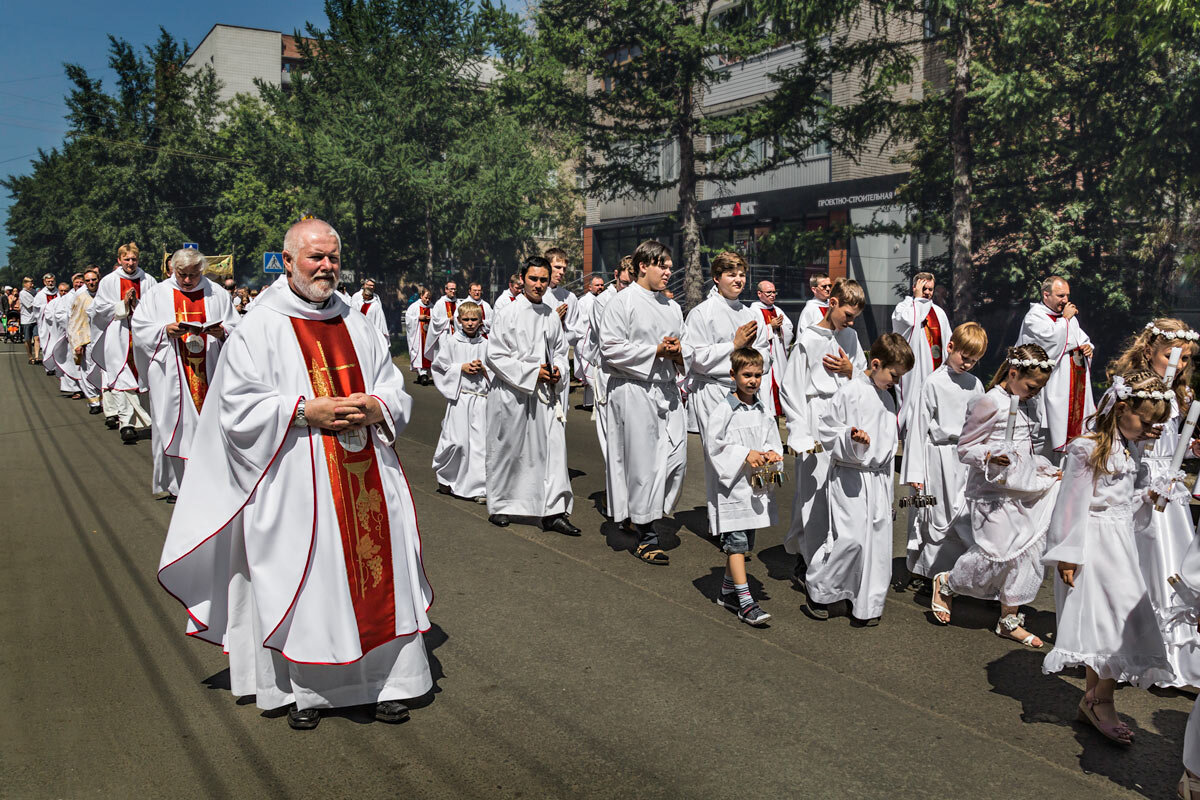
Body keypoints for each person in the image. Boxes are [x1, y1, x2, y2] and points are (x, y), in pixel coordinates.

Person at [157, 218, 433, 731]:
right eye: (315, 257)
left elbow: (393, 386)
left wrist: (377, 405)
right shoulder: (260, 324)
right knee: (308, 582)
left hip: (367, 475)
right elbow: (236, 409)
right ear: (287, 261)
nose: (327, 266)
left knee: (379, 573)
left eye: (333, 256)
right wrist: (306, 411)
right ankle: (306, 693)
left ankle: (386, 684)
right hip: (295, 478)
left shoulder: (357, 320)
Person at [1042, 370, 1174, 745]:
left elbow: (1121, 501)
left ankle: (1097, 697)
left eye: (1154, 424)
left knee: (1118, 620)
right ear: (1120, 409)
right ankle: (1100, 699)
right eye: (1145, 421)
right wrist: (1068, 554)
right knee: (1104, 623)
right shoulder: (1086, 448)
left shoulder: (1131, 449)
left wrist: (1146, 498)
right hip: (1092, 542)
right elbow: (1071, 505)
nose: (1149, 429)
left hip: (1120, 542)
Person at [930, 344, 1059, 647]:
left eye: (1040, 388)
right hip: (992, 491)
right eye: (1031, 385)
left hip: (1023, 487)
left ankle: (1009, 618)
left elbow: (1028, 449)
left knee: (1025, 551)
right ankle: (947, 583)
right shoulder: (989, 402)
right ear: (1013, 373)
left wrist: (1044, 469)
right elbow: (964, 448)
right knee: (996, 552)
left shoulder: (1028, 403)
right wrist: (989, 455)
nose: (1035, 392)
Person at [802, 333, 913, 624]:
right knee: (849, 539)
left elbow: (888, 441)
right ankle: (821, 591)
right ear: (875, 364)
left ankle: (866, 604)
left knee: (876, 544)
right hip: (851, 477)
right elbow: (826, 429)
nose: (896, 382)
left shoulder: (887, 397)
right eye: (894, 374)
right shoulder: (849, 392)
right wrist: (852, 439)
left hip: (877, 479)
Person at [1113, 319, 1200, 688]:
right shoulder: (1131, 388)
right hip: (1140, 480)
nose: (1178, 364)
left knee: (1175, 562)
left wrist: (1192, 448)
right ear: (1149, 350)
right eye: (1171, 355)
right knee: (1142, 559)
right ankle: (1133, 650)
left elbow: (1175, 445)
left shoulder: (1184, 395)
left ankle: (1174, 658)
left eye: (1185, 358)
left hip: (1171, 487)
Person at [599, 240, 692, 564]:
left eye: (669, 266)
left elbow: (683, 347)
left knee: (675, 461)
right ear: (643, 266)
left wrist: (678, 353)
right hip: (633, 389)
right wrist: (654, 350)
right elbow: (609, 348)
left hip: (665, 389)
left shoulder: (672, 307)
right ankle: (646, 535)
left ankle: (641, 515)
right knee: (642, 467)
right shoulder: (622, 302)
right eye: (662, 265)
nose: (668, 271)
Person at [780, 278, 868, 583]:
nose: (851, 321)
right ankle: (807, 557)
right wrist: (800, 431)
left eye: (855, 316)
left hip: (842, 419)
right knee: (812, 491)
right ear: (832, 303)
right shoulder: (808, 339)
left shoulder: (852, 338)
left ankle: (834, 553)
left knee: (840, 492)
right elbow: (791, 389)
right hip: (816, 416)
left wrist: (850, 371)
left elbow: (864, 377)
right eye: (847, 314)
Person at [484, 257, 579, 536]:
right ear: (522, 279)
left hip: (545, 396)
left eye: (543, 280)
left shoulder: (551, 315)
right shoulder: (507, 313)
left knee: (552, 453)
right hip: (513, 393)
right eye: (533, 279)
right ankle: (501, 504)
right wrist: (531, 372)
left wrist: (558, 371)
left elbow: (561, 352)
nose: (538, 285)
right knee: (509, 449)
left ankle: (553, 512)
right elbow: (495, 356)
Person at [132, 248, 236, 499]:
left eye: (193, 274)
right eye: (182, 275)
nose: (188, 281)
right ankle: (177, 485)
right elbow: (140, 327)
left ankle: (211, 482)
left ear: (202, 270)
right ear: (172, 270)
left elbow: (237, 327)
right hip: (170, 371)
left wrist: (222, 332)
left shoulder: (217, 293)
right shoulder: (157, 294)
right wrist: (164, 330)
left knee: (211, 426)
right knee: (169, 424)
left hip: (210, 370)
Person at [899, 322, 988, 585]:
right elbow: (918, 428)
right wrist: (915, 471)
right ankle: (926, 571)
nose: (968, 364)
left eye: (974, 360)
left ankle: (957, 573)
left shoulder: (975, 385)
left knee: (963, 513)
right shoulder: (933, 383)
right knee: (934, 513)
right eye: (964, 357)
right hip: (937, 456)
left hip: (965, 458)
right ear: (950, 347)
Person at [705, 347, 783, 626]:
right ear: (733, 375)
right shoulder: (724, 410)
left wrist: (773, 452)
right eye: (746, 375)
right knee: (736, 545)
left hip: (754, 488)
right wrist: (743, 453)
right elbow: (714, 445)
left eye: (758, 375)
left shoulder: (763, 409)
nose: (752, 380)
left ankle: (727, 591)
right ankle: (746, 602)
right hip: (733, 489)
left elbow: (772, 438)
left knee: (744, 543)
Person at [684, 252, 768, 447]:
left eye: (741, 275)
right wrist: (734, 346)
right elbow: (696, 358)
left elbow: (764, 354)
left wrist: (749, 355)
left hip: (746, 391)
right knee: (721, 457)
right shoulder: (702, 313)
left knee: (750, 450)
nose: (738, 280)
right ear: (716, 278)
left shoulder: (751, 315)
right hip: (713, 391)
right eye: (731, 274)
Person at [1016, 276, 1095, 454]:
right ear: (1046, 295)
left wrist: (1088, 348)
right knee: (1048, 441)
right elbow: (1047, 348)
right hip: (1052, 387)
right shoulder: (1034, 318)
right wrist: (1065, 321)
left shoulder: (1066, 318)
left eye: (1067, 295)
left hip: (1075, 387)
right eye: (1060, 295)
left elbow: (1080, 339)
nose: (1065, 300)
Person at [90, 242, 156, 440]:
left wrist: (137, 304)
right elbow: (99, 310)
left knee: (143, 377)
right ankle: (126, 424)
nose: (130, 263)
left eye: (134, 259)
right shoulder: (109, 281)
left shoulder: (149, 280)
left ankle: (148, 421)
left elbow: (155, 307)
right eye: (126, 259)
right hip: (118, 335)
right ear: (119, 260)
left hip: (141, 337)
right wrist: (122, 304)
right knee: (120, 379)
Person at [585, 256, 633, 509]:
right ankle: (614, 495)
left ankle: (627, 493)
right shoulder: (603, 301)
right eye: (624, 282)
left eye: (632, 282)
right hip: (607, 371)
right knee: (611, 437)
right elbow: (612, 340)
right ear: (616, 275)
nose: (627, 287)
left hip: (631, 374)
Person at [432, 302, 489, 503]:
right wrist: (461, 368)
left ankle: (479, 488)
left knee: (479, 445)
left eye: (474, 319)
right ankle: (447, 476)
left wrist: (484, 369)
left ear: (481, 321)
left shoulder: (486, 344)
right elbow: (439, 367)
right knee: (456, 442)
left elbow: (496, 370)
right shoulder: (451, 342)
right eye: (466, 319)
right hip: (460, 398)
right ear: (458, 321)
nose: (470, 323)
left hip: (481, 401)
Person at [891, 271, 952, 434]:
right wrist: (917, 301)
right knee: (913, 410)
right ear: (915, 287)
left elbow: (948, 342)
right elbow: (910, 320)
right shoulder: (904, 308)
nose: (927, 292)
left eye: (930, 289)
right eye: (924, 288)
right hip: (914, 370)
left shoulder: (939, 312)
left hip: (936, 369)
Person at [749, 280, 794, 418]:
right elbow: (754, 334)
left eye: (774, 292)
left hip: (778, 357)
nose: (772, 295)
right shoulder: (754, 310)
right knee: (765, 394)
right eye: (769, 292)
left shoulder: (777, 309)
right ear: (759, 293)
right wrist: (770, 327)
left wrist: (780, 328)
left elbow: (789, 330)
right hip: (763, 357)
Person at [545, 247, 580, 416]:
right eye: (557, 267)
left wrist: (561, 328)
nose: (561, 272)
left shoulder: (569, 297)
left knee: (560, 412)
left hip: (559, 358)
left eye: (564, 269)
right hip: (539, 359)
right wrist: (553, 321)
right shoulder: (537, 294)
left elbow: (575, 332)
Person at [68, 269, 103, 414]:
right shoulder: (81, 298)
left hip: (104, 338)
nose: (91, 283)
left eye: (94, 279)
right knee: (88, 370)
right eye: (88, 281)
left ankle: (106, 399)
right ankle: (94, 401)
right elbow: (74, 321)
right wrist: (77, 343)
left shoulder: (104, 295)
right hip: (87, 339)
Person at [51, 275, 86, 398]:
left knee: (86, 363)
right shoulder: (66, 298)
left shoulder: (88, 295)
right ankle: (75, 388)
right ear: (73, 283)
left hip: (86, 334)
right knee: (71, 362)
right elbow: (58, 314)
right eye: (77, 282)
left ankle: (88, 388)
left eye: (81, 282)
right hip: (71, 334)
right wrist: (71, 320)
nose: (79, 284)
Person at [573, 275, 605, 409]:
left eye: (602, 285)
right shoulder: (584, 301)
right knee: (590, 374)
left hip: (598, 342)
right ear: (589, 287)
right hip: (586, 341)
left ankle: (593, 402)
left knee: (597, 373)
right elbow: (580, 321)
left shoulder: (604, 299)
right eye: (597, 285)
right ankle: (591, 403)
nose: (600, 287)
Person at [404, 288, 434, 385]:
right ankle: (422, 374)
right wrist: (418, 318)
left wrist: (431, 319)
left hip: (428, 335)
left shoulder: (432, 307)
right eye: (426, 298)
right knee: (419, 353)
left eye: (429, 298)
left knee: (429, 353)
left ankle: (425, 374)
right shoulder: (414, 307)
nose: (427, 300)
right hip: (418, 336)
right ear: (421, 296)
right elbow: (408, 319)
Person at [425, 281, 459, 362]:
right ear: (446, 290)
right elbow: (435, 320)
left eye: (454, 289)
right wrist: (448, 320)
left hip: (457, 333)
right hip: (444, 334)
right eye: (451, 289)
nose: (453, 291)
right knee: (444, 355)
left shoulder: (458, 303)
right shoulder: (440, 303)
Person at [32, 273, 58, 375]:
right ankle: (49, 367)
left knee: (57, 344)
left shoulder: (59, 292)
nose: (50, 283)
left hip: (57, 324)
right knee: (47, 344)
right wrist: (47, 308)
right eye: (48, 282)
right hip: (45, 324)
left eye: (52, 281)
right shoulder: (40, 295)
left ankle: (57, 366)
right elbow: (36, 310)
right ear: (44, 282)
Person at [19, 276, 38, 363]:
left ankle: (37, 356)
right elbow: (31, 305)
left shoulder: (34, 292)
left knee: (37, 337)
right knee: (28, 339)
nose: (32, 285)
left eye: (32, 283)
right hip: (26, 319)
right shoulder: (22, 293)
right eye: (30, 283)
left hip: (35, 319)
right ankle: (30, 356)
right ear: (25, 284)